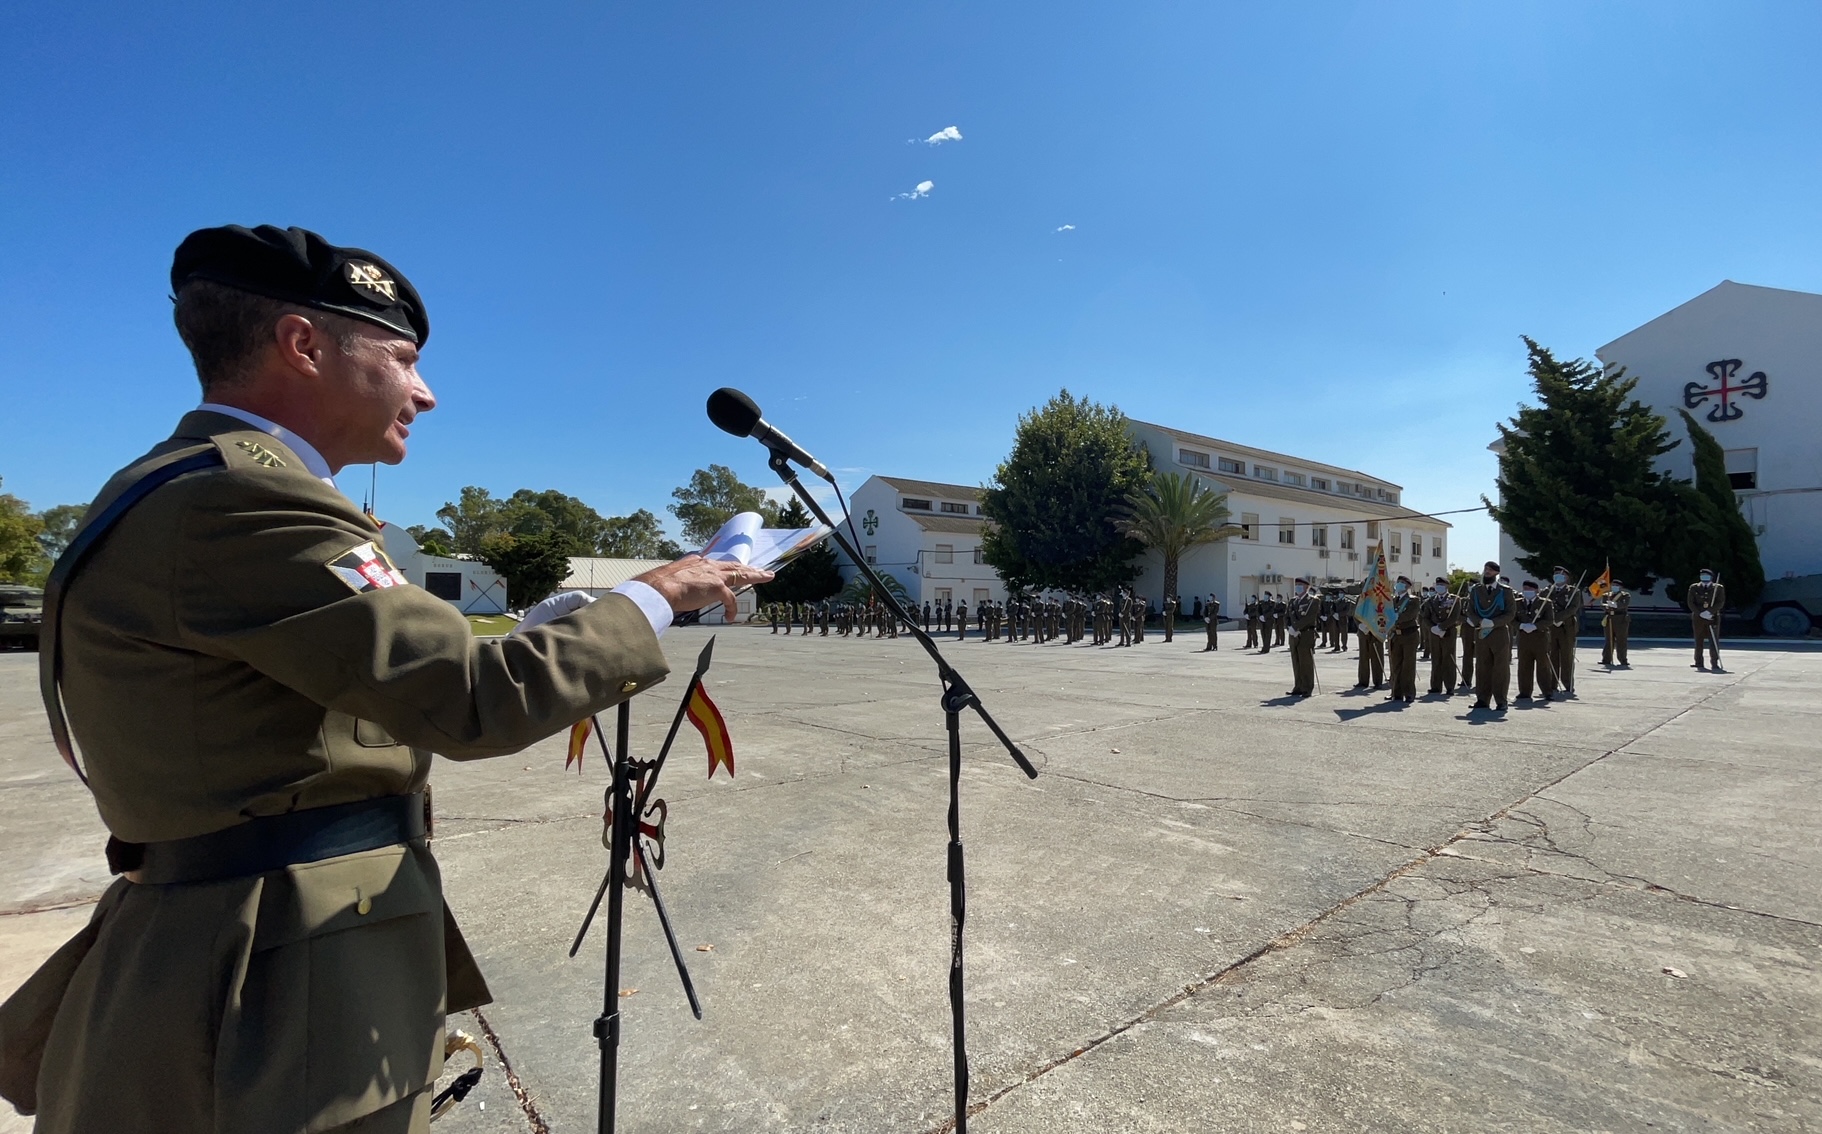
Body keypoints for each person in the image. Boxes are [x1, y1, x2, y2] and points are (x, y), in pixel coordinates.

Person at [0, 225, 765, 1134]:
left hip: (243, 937)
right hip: (272, 977)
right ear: (302, 344)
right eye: (403, 359)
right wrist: (661, 592)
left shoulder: (185, 484)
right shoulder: (249, 499)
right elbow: (469, 701)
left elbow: (340, 678)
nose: (426, 392)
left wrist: (531, 632)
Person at [1466, 561, 1517, 710]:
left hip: (1499, 633)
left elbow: (1510, 613)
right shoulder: (1476, 590)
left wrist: (1493, 622)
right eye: (1485, 569)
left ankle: (1501, 700)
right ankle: (1482, 699)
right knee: (1482, 666)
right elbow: (1470, 611)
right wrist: (1480, 621)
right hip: (1481, 632)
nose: (1486, 572)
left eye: (1490, 570)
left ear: (1496, 573)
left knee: (1500, 668)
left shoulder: (1505, 591)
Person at [1513, 581, 1558, 702]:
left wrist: (1536, 626)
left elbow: (1549, 620)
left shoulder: (1545, 603)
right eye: (1524, 589)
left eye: (1529, 589)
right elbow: (1512, 619)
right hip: (1523, 639)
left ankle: (1547, 692)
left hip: (1540, 638)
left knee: (1543, 666)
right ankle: (1524, 691)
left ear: (1536, 590)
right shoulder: (1517, 603)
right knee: (1524, 666)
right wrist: (1521, 625)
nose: (1526, 591)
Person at [1545, 566, 1584, 696]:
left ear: (1566, 578)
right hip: (1551, 627)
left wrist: (1559, 618)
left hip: (1566, 627)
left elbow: (1573, 608)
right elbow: (1542, 605)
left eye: (1561, 575)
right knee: (1552, 655)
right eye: (1555, 574)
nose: (1558, 577)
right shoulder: (1547, 591)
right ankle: (1552, 683)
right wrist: (1552, 619)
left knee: (1566, 656)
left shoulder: (1573, 591)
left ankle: (1568, 684)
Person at [1423, 576, 1462, 695]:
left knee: (1448, 658)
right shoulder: (1430, 601)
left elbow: (1455, 617)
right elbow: (1425, 617)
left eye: (1442, 585)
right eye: (1437, 584)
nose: (1439, 587)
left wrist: (1442, 627)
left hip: (1448, 632)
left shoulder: (1455, 599)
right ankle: (1435, 685)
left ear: (1446, 586)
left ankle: (1450, 686)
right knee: (1436, 658)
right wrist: (1433, 628)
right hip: (1434, 633)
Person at [1385, 577, 1421, 702]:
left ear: (1407, 586)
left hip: (1409, 635)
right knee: (1395, 665)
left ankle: (1409, 693)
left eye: (1402, 583)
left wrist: (1395, 617)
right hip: (1396, 635)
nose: (1398, 585)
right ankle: (1396, 692)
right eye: (1398, 583)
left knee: (1408, 666)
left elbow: (1410, 615)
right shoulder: (1393, 600)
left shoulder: (1413, 600)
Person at [1285, 578, 1321, 697]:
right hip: (1293, 635)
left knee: (1306, 662)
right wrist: (1289, 627)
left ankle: (1307, 688)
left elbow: (1309, 618)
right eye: (1296, 585)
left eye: (1300, 585)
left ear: (1307, 587)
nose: (1297, 587)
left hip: (1306, 634)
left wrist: (1296, 628)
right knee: (1296, 661)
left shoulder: (1313, 601)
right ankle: (1298, 686)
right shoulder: (1293, 601)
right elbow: (1287, 616)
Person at [1686, 568, 1726, 670]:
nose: (1704, 577)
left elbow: (1720, 602)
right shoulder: (1694, 587)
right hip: (1698, 618)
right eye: (1702, 575)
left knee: (1713, 641)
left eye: (1706, 575)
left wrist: (1710, 612)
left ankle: (1714, 663)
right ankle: (1698, 662)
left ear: (1711, 577)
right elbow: (1691, 602)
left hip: (1712, 617)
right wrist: (1699, 613)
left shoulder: (1718, 588)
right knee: (1698, 640)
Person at [1601, 585, 1632, 667]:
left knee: (1621, 640)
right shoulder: (1607, 595)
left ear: (1621, 587)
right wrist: (1606, 607)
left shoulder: (1625, 595)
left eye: (1617, 586)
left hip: (1621, 619)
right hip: (1609, 618)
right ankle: (1606, 659)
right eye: (1613, 585)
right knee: (1609, 640)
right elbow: (1603, 604)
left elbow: (1624, 604)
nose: (1615, 587)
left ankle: (1623, 659)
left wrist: (1614, 605)